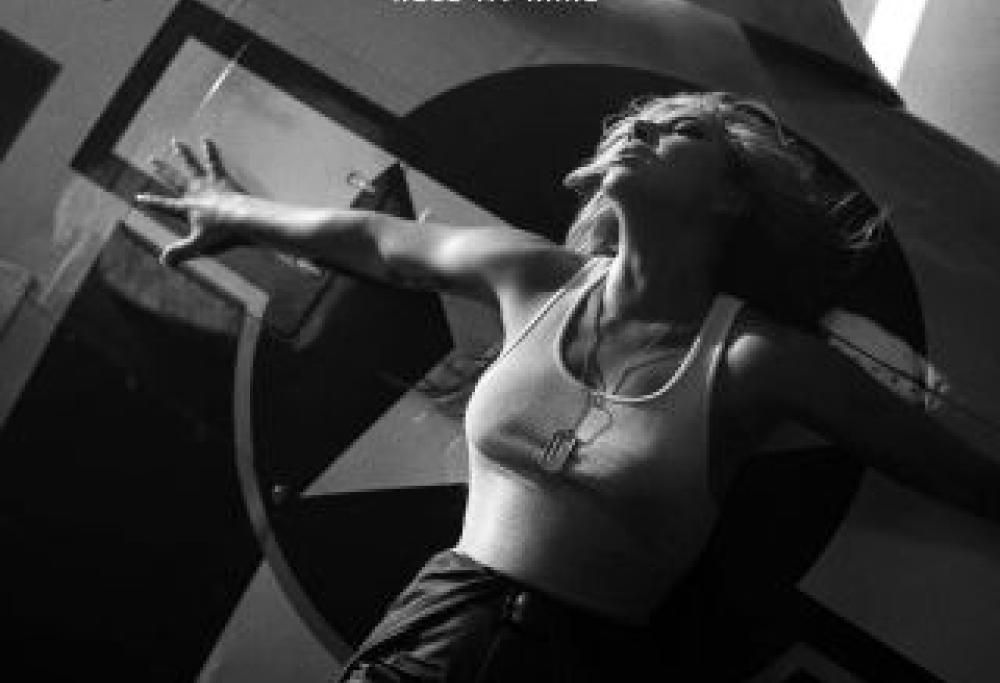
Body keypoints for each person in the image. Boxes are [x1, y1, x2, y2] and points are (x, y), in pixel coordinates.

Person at [137, 91, 999, 681]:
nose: (640, 130)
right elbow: (376, 242)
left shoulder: (754, 359)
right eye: (635, 124)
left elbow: (950, 469)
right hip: (426, 636)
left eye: (681, 131)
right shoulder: (537, 277)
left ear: (732, 198)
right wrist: (230, 210)